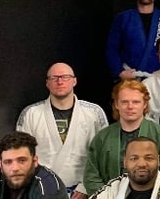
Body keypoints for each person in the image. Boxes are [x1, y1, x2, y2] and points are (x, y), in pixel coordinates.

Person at [16, 62, 107, 192]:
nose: (60, 82)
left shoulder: (94, 113)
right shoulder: (31, 114)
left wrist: (85, 188)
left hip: (83, 190)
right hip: (42, 190)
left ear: (74, 81)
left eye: (65, 77)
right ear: (47, 83)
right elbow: (21, 155)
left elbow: (103, 155)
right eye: (54, 78)